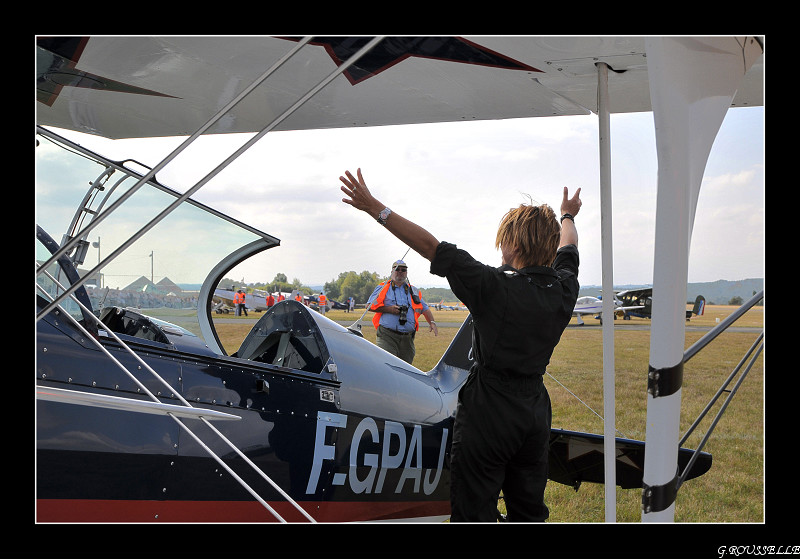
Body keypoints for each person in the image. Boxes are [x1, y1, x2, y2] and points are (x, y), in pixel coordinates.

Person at [339, 168, 581, 522]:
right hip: (534, 413)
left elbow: (431, 248)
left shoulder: (493, 286)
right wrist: (568, 215)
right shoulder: (564, 288)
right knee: (529, 512)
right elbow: (569, 247)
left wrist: (375, 208)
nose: (500, 248)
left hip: (489, 412)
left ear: (514, 245)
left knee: (472, 510)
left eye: (504, 241)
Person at [367, 259, 438, 364]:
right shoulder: (382, 287)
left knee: (405, 368)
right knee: (387, 364)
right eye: (397, 269)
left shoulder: (413, 290)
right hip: (387, 336)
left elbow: (425, 308)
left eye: (403, 270)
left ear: (406, 273)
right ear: (392, 272)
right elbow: (369, 306)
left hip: (407, 339)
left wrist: (432, 322)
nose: (400, 272)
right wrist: (389, 309)